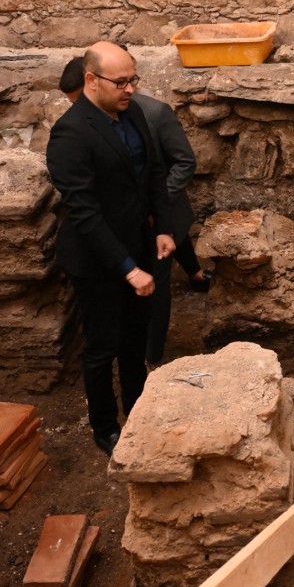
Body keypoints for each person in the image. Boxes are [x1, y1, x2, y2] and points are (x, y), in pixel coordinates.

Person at [46, 42, 176, 455]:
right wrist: (126, 268)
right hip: (97, 261)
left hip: (138, 243)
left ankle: (138, 409)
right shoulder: (69, 133)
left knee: (136, 337)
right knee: (102, 346)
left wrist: (162, 227)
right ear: (91, 80)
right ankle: (105, 426)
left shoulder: (130, 111)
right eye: (120, 82)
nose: (129, 90)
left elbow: (153, 172)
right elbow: (83, 213)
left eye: (133, 80)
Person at [59, 55, 212, 364]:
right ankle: (195, 275)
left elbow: (183, 162)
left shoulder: (154, 113)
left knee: (159, 285)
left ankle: (152, 354)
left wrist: (156, 204)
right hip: (130, 222)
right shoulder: (83, 126)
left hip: (161, 212)